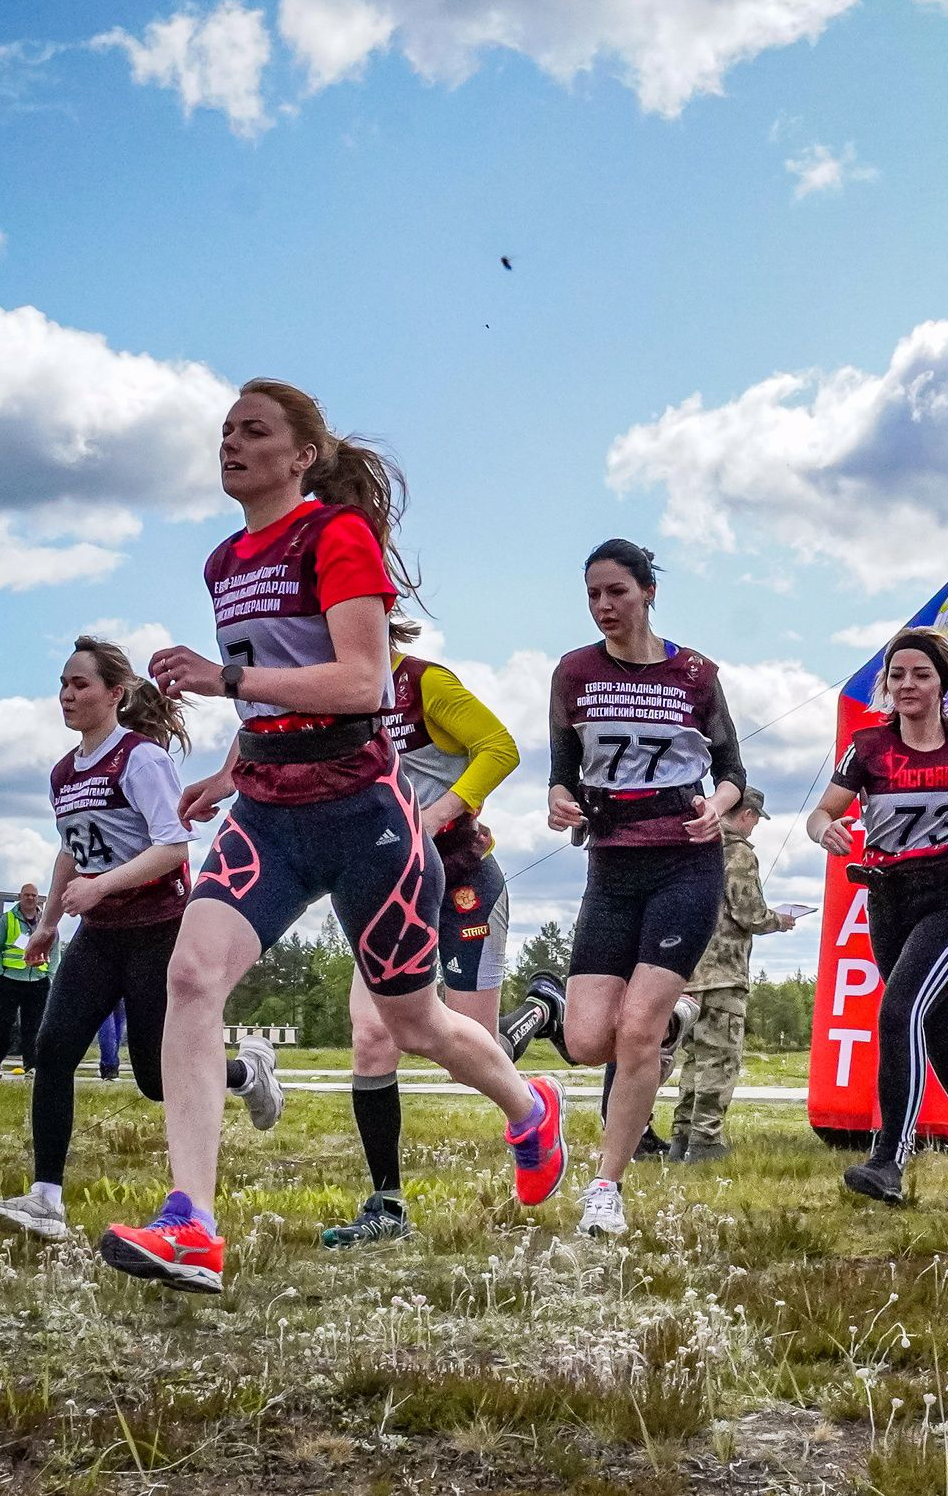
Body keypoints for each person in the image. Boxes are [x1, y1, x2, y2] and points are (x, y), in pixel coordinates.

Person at [101, 380, 564, 1295]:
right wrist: (225, 774)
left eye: (254, 430)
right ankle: (190, 1223)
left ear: (302, 455)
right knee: (190, 976)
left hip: (364, 817)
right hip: (269, 810)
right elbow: (280, 678)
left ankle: (529, 1104)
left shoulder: (335, 537)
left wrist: (221, 680)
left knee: (413, 1020)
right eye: (225, 430)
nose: (231, 442)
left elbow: (359, 684)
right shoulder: (224, 561)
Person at [0, 638, 284, 1244]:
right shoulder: (64, 772)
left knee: (154, 1077)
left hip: (158, 933)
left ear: (115, 695)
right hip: (99, 937)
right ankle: (46, 1199)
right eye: (63, 685)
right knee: (53, 1049)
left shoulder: (140, 760)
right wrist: (47, 924)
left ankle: (246, 1071)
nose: (67, 695)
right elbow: (73, 848)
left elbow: (173, 848)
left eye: (81, 685)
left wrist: (102, 888)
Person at [549, 538, 747, 1238]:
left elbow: (732, 770)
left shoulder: (693, 673)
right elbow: (562, 769)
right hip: (610, 868)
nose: (605, 607)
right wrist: (558, 800)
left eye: (617, 593)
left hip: (684, 865)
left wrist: (715, 810)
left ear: (647, 593)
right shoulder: (574, 672)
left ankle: (606, 1187)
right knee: (584, 1042)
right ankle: (677, 1022)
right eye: (594, 595)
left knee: (635, 1034)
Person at [322, 622, 527, 1249]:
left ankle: (541, 1014)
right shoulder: (329, 697)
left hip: (463, 881)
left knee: (472, 1053)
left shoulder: (424, 683)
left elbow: (500, 746)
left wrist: (438, 813)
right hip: (387, 890)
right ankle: (386, 1206)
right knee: (372, 1037)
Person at [811, 630, 948, 1204]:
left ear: (943, 682)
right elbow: (824, 811)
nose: (907, 685)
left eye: (920, 674)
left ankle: (886, 1160)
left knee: (899, 1010)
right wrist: (827, 829)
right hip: (889, 900)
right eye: (897, 674)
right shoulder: (868, 746)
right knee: (939, 1029)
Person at [673, 786, 796, 1165]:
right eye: (756, 818)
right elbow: (749, 914)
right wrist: (781, 920)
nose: (756, 825)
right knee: (721, 1059)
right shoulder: (738, 852)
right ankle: (706, 1140)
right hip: (723, 973)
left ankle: (682, 1136)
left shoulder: (691, 844)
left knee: (693, 1059)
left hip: (686, 972)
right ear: (747, 814)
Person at [0, 883, 51, 1073]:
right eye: (27, 895)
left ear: (38, 898)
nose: (30, 898)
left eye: (34, 895)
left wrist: (49, 972)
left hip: (37, 980)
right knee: (2, 1023)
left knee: (34, 1026)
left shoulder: (46, 921)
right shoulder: (8, 919)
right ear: (20, 896)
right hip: (10, 979)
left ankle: (31, 1064)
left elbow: (55, 946)